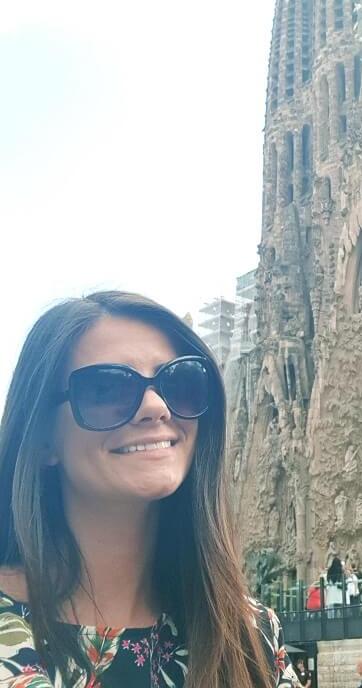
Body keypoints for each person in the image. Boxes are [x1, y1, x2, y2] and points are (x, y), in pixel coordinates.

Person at [0, 290, 298, 687]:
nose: (157, 406)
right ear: (42, 439)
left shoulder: (249, 635)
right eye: (107, 389)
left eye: (180, 382)